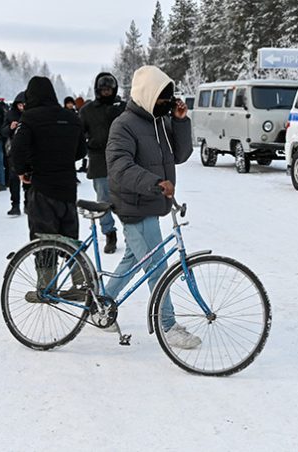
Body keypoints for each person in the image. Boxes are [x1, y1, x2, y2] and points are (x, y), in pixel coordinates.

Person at [105, 65, 200, 349]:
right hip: (134, 205)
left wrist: (180, 121)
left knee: (134, 259)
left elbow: (180, 155)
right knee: (157, 267)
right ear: (147, 95)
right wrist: (155, 182)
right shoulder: (123, 125)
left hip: (151, 202)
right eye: (162, 98)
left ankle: (98, 304)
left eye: (169, 99)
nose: (166, 104)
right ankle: (168, 325)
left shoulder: (160, 122)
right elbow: (120, 166)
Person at [10, 76, 86, 241]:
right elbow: (81, 151)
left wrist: (22, 171)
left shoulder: (29, 118)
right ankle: (76, 266)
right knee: (70, 244)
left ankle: (46, 268)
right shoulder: (72, 117)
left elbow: (17, 149)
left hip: (42, 187)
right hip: (68, 187)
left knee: (44, 242)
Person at [79, 72, 125, 254]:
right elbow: (79, 134)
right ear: (98, 90)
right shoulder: (88, 110)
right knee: (103, 201)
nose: (106, 93)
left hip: (123, 160)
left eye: (109, 90)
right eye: (103, 90)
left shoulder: (123, 107)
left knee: (125, 199)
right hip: (99, 161)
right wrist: (89, 144)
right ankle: (109, 233)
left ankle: (132, 232)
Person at [1, 91, 28, 216]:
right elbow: (3, 131)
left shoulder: (31, 115)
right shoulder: (10, 114)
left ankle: (28, 203)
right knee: (14, 178)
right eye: (19, 105)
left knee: (28, 178)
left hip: (28, 150)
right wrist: (10, 128)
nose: (21, 107)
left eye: (24, 104)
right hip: (13, 150)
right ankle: (15, 205)